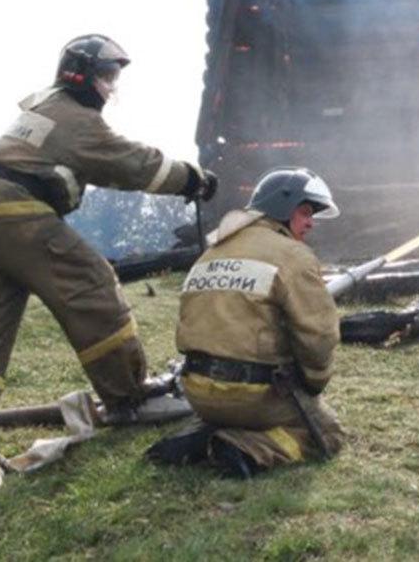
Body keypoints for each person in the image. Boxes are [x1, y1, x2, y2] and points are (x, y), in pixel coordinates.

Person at [0, 34, 217, 461]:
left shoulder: (41, 110)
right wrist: (192, 178)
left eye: (114, 75)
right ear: (80, 74)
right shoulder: (75, 118)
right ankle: (129, 396)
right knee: (92, 284)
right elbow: (132, 163)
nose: (110, 86)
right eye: (106, 75)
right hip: (15, 214)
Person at [147, 167, 344, 479]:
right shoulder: (294, 256)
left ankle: (198, 439)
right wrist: (314, 384)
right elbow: (319, 335)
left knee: (229, 409)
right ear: (283, 206)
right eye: (306, 212)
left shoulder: (211, 252)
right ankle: (246, 448)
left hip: (197, 391)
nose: (310, 223)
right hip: (254, 397)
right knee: (328, 430)